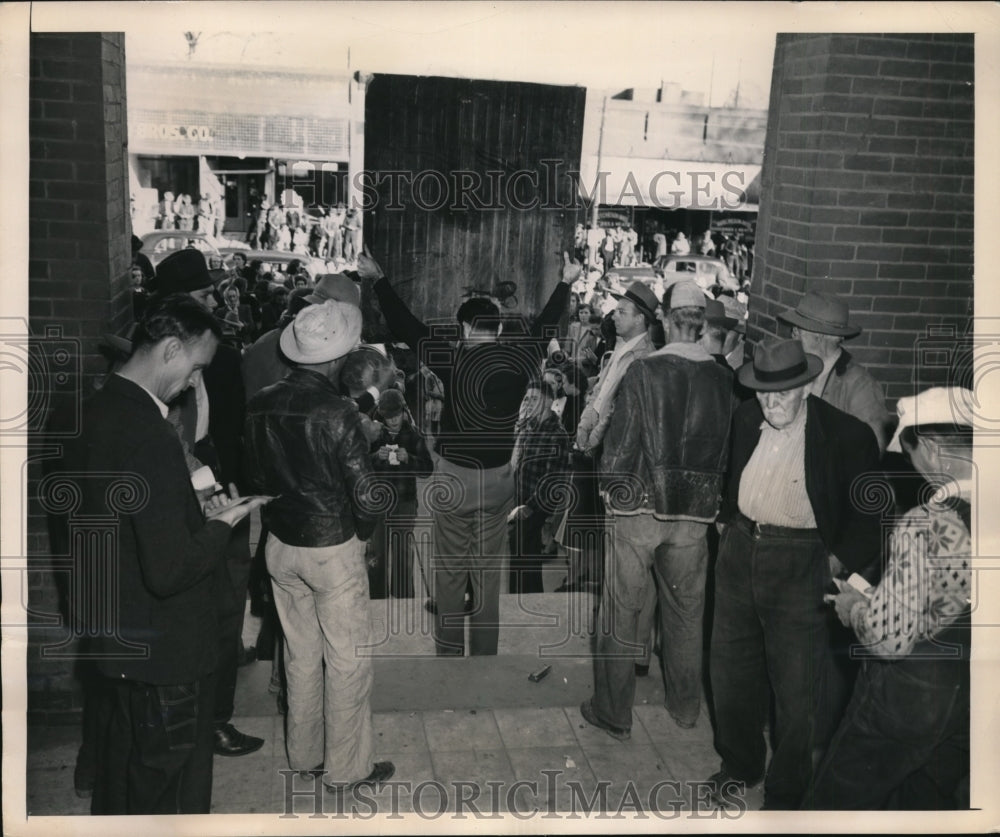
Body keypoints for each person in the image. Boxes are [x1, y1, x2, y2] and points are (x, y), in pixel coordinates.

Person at [76, 294, 270, 814]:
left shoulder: (95, 410)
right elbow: (170, 571)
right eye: (195, 367)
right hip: (165, 648)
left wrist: (188, 509)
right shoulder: (152, 436)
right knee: (167, 783)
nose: (193, 383)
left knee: (122, 769)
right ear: (169, 349)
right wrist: (221, 523)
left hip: (116, 636)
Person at [706, 338, 884, 810]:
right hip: (740, 550)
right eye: (763, 393)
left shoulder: (846, 436)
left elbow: (871, 517)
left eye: (781, 393)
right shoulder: (746, 418)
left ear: (805, 386)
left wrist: (835, 561)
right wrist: (728, 522)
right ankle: (739, 764)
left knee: (796, 689)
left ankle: (785, 794)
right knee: (731, 673)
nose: (771, 403)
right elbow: (732, 476)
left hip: (803, 560)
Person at [369, 251, 576, 655]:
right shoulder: (520, 358)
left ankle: (449, 651)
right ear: (498, 328)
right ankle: (484, 654)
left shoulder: (453, 358)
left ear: (464, 327)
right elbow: (546, 323)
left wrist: (379, 280)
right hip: (499, 480)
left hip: (455, 479)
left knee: (449, 573)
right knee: (486, 574)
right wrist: (566, 281)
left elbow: (406, 326)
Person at [244, 299, 394, 796]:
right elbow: (367, 493)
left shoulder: (261, 401)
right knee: (347, 660)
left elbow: (257, 476)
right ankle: (347, 769)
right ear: (337, 358)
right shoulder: (338, 412)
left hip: (280, 545)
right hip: (330, 546)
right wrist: (365, 533)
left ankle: (304, 756)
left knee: (300, 656)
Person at [805, 387, 974, 810]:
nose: (913, 466)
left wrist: (853, 608)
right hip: (973, 693)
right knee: (925, 806)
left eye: (911, 452)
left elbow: (890, 637)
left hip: (911, 692)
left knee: (834, 804)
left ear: (932, 450)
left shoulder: (926, 523)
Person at [580, 281, 733, 739]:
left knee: (622, 611)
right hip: (696, 513)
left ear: (665, 319)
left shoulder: (645, 372)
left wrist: (609, 490)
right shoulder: (725, 379)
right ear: (702, 324)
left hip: (640, 508)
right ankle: (686, 708)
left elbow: (622, 446)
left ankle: (614, 713)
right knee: (687, 613)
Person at [153, 249, 263, 759]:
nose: (215, 300)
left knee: (227, 605)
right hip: (190, 497)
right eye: (202, 295)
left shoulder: (218, 356)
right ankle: (212, 722)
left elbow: (228, 427)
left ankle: (216, 707)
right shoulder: (161, 367)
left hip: (219, 483)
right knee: (217, 608)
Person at [777, 291, 893, 453]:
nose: (792, 335)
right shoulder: (796, 368)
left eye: (797, 331)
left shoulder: (859, 385)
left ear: (819, 336)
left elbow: (875, 447)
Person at [508, 377, 571, 594]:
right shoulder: (527, 425)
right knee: (520, 554)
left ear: (547, 401)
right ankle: (524, 597)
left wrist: (530, 506)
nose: (528, 402)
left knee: (523, 553)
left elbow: (553, 479)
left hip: (535, 505)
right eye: (527, 398)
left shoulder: (557, 434)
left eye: (534, 398)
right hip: (518, 500)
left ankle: (525, 597)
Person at [369, 388, 434, 598]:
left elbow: (427, 469)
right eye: (388, 417)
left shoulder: (414, 436)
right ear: (381, 415)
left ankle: (403, 599)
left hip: (404, 504)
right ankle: (377, 598)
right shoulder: (374, 434)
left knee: (402, 554)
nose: (393, 420)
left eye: (396, 415)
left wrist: (410, 459)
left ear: (404, 412)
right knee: (377, 554)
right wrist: (375, 457)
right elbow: (359, 465)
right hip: (378, 503)